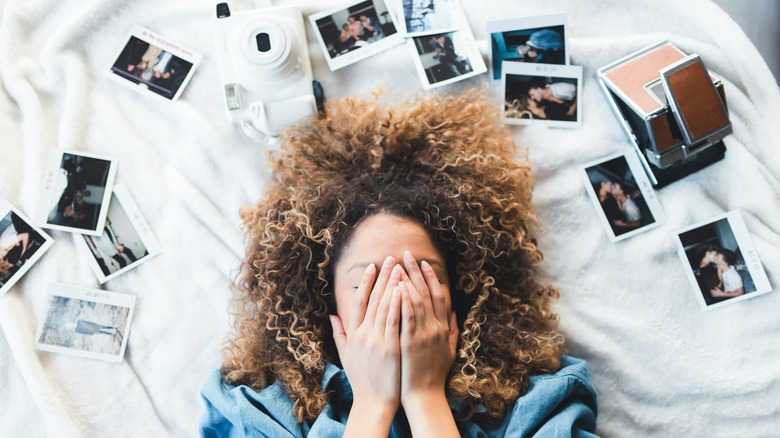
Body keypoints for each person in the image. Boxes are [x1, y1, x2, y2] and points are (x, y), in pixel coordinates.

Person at [200, 91, 597, 437]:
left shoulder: (543, 399)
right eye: (366, 282)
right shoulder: (255, 404)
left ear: (458, 292)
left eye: (421, 275)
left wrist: (426, 399)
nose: (398, 296)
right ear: (326, 301)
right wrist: (372, 403)